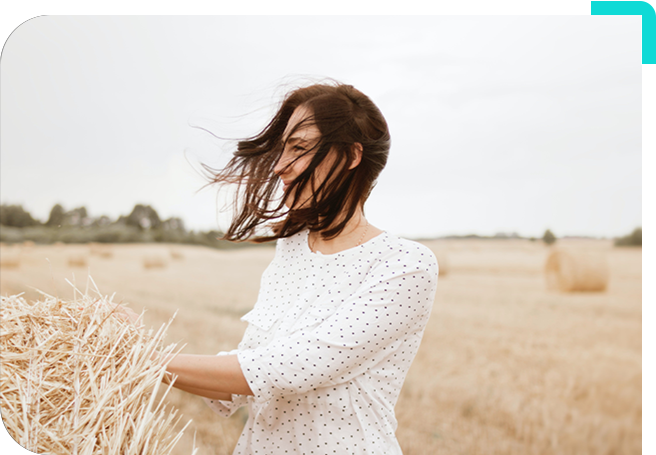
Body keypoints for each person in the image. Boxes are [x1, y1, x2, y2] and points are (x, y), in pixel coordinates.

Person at [130, 81, 439, 454]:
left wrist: (140, 356)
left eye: (299, 148)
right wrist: (132, 344)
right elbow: (240, 381)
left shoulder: (405, 264)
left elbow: (290, 368)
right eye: (282, 150)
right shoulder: (292, 249)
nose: (279, 167)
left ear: (352, 155)